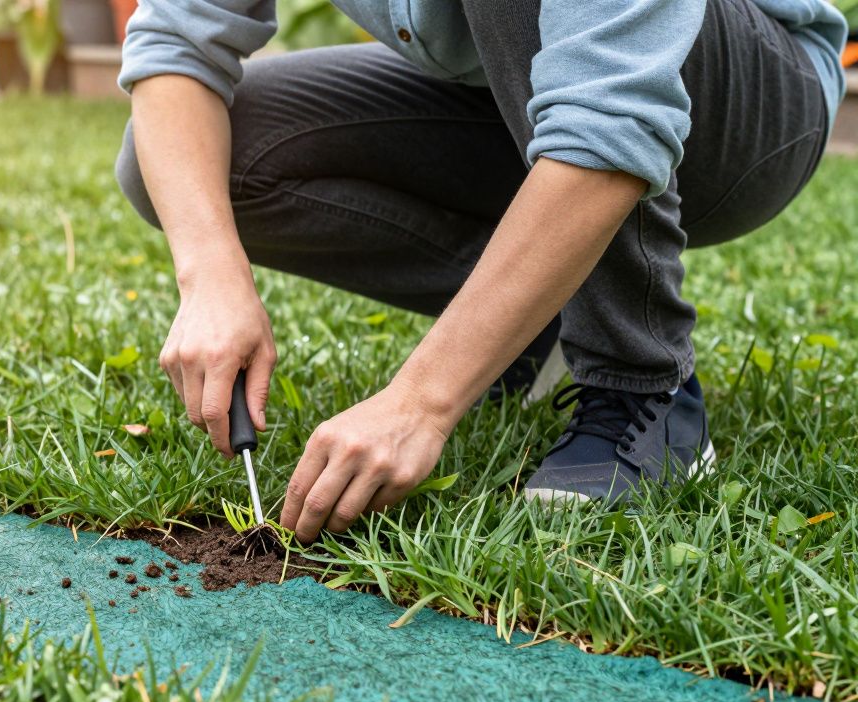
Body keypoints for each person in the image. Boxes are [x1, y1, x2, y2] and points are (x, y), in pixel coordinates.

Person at [113, 0, 848, 543]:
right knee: (200, 166)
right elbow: (175, 43)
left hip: (740, 103)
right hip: (509, 92)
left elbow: (610, 113)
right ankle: (540, 330)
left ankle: (644, 387)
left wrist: (421, 402)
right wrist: (210, 274)